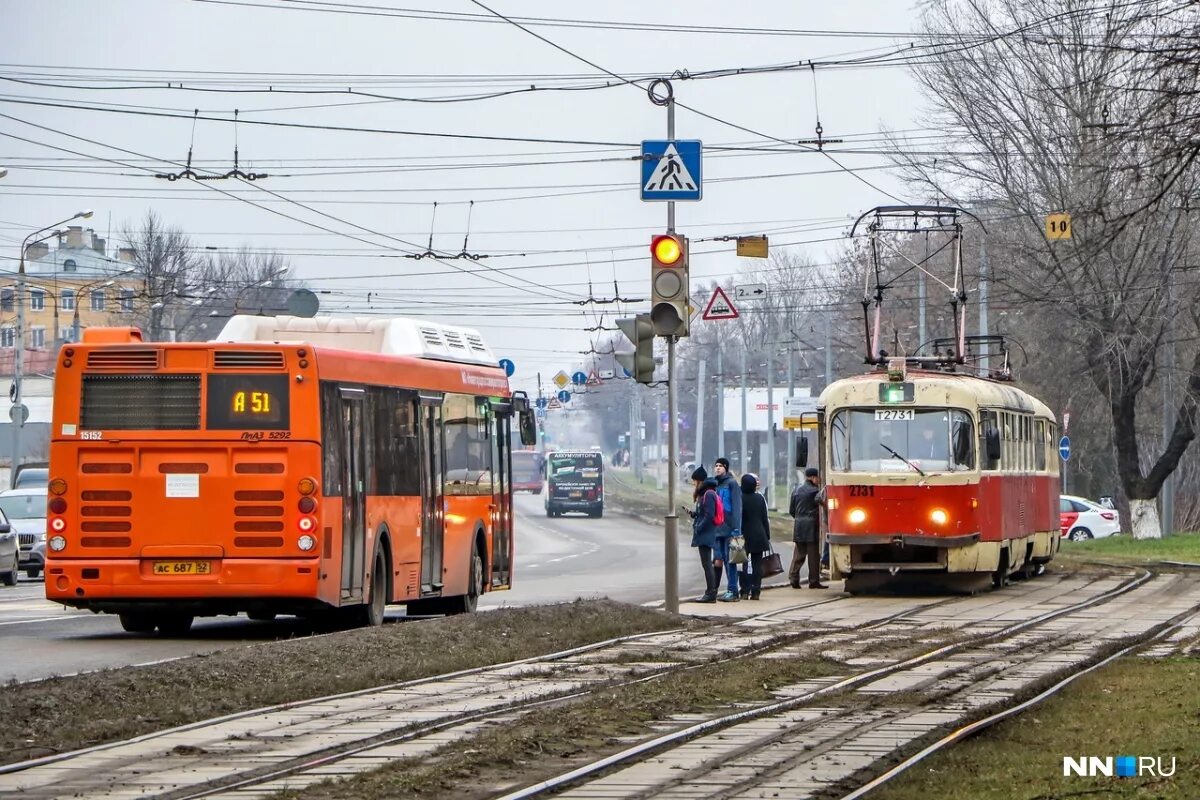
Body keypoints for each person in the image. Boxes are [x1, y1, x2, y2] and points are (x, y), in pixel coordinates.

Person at [788, 467, 827, 589]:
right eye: (817, 477)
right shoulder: (815, 491)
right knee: (813, 556)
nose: (819, 479)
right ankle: (814, 581)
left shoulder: (796, 490)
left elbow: (791, 510)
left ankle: (794, 578)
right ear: (813, 477)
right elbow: (823, 504)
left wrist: (799, 518)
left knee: (799, 554)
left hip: (799, 525)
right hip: (811, 526)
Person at [711, 457, 744, 602]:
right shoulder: (715, 484)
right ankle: (727, 590)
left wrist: (736, 529)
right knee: (722, 559)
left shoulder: (731, 484)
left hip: (729, 528)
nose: (717, 468)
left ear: (726, 468)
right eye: (716, 465)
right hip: (718, 529)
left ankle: (733, 590)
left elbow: (737, 508)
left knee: (730, 561)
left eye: (721, 466)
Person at [688, 466, 719, 603]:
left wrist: (699, 527)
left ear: (700, 481)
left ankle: (711, 592)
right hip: (704, 532)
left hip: (706, 533)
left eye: (694, 481)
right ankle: (710, 591)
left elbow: (709, 515)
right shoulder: (704, 494)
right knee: (706, 563)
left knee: (707, 564)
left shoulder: (709, 494)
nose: (693, 484)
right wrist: (693, 514)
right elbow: (703, 513)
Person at [738, 473, 771, 600]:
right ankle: (756, 591)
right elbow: (764, 518)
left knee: (742, 564)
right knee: (757, 564)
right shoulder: (760, 498)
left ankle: (744, 590)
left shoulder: (739, 498)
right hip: (759, 534)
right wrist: (767, 535)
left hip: (741, 535)